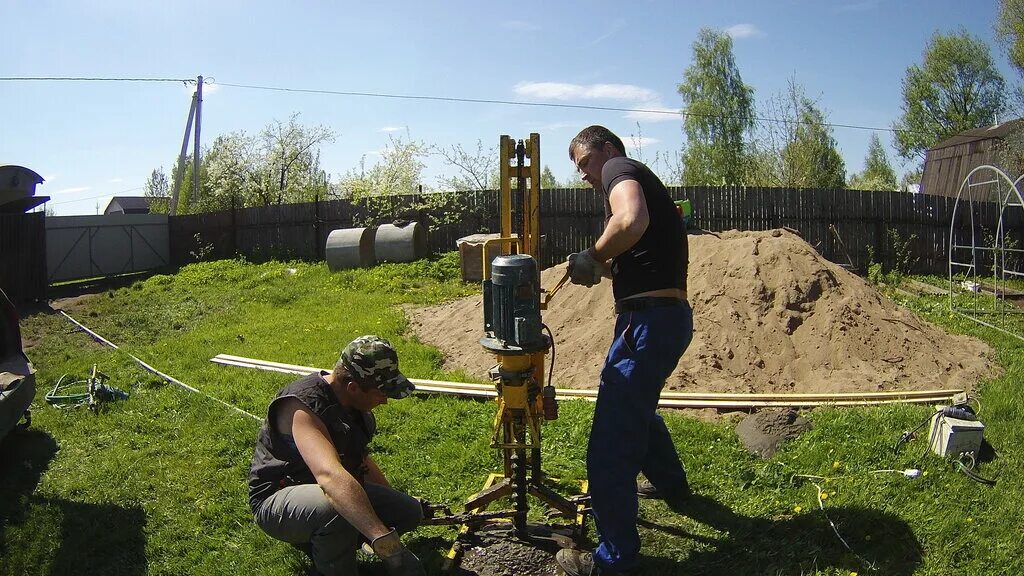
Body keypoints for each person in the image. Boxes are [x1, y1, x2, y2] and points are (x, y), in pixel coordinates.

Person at [556, 126, 693, 576]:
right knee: (638, 409)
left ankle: (614, 562)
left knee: (611, 442)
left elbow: (629, 221)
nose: (584, 176)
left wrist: (594, 255)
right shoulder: (641, 180)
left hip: (648, 322)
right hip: (664, 316)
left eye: (583, 164)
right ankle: (675, 488)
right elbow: (643, 251)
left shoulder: (620, 168)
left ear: (607, 150)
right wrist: (607, 268)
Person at [248, 335, 426, 576]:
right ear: (353, 387)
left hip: (321, 492)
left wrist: (390, 510)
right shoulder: (303, 406)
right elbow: (330, 477)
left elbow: (361, 461)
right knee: (333, 509)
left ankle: (334, 540)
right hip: (277, 499)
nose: (384, 401)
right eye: (380, 393)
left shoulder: (357, 408)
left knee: (408, 511)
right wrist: (388, 545)